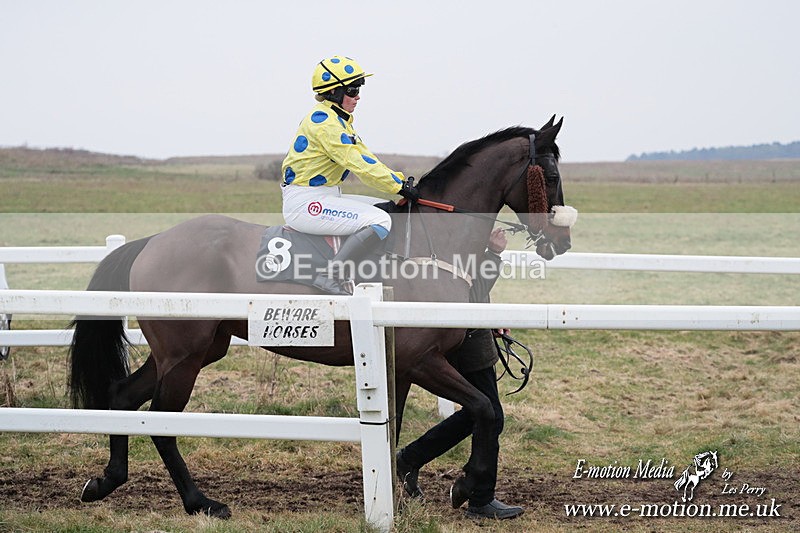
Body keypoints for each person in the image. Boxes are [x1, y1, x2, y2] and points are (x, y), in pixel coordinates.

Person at [395, 228, 525, 520]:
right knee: (487, 412)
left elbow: (474, 287)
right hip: (464, 331)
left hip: (469, 325)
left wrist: (491, 312)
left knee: (482, 411)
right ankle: (479, 496)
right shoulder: (456, 230)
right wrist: (493, 254)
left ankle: (411, 460)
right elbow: (471, 287)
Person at [281, 55, 419, 294]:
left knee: (386, 208)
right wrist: (397, 186)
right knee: (380, 220)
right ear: (333, 92)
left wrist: (398, 181)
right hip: (305, 203)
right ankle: (330, 275)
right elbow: (357, 164)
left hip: (325, 196)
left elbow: (366, 157)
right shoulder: (324, 123)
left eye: (359, 90)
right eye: (352, 90)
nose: (358, 96)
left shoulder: (339, 119)